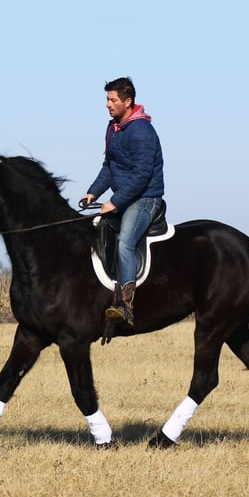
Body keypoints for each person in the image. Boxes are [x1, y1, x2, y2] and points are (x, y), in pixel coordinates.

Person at [81, 77, 165, 327]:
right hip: (125, 198)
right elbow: (109, 167)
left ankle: (125, 306)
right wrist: (93, 193)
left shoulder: (141, 131)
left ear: (128, 102)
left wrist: (114, 202)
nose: (108, 104)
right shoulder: (114, 128)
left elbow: (141, 176)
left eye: (112, 100)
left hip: (145, 198)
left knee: (125, 243)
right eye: (107, 99)